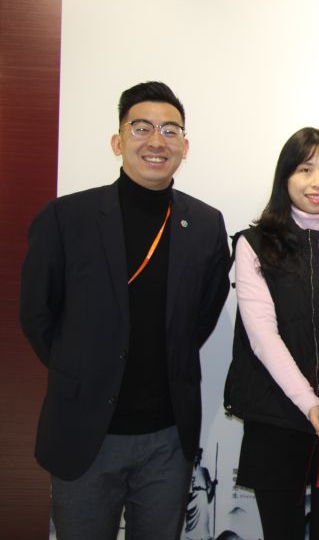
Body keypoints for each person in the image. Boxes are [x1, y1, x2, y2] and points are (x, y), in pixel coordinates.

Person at [19, 81, 231, 539]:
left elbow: (202, 315)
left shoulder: (206, 224)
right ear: (118, 141)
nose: (157, 141)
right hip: (85, 432)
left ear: (185, 147)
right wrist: (80, 370)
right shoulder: (66, 218)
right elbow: (36, 314)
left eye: (170, 130)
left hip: (167, 437)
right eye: (141, 128)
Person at [224, 127, 319, 540]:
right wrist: (311, 404)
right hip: (279, 413)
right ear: (286, 177)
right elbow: (262, 336)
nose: (318, 182)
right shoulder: (255, 244)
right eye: (306, 169)